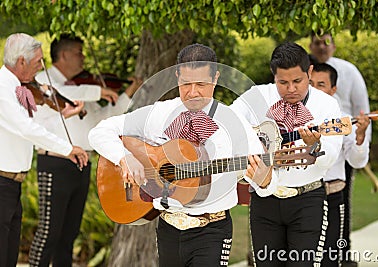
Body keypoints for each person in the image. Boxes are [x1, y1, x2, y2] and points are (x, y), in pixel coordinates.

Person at [88, 43, 276, 267]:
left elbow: (268, 185)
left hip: (212, 231)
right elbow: (99, 131)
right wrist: (124, 157)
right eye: (186, 83)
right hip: (168, 228)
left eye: (201, 84)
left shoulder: (233, 123)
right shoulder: (159, 113)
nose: (193, 92)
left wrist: (265, 179)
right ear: (177, 76)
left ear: (215, 78)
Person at [28, 34, 141, 267]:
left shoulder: (81, 87)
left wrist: (126, 95)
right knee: (48, 233)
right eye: (80, 53)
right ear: (65, 55)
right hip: (55, 164)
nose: (84, 58)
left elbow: (100, 119)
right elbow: (59, 94)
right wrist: (97, 91)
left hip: (81, 165)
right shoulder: (42, 81)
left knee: (69, 234)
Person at [231, 42, 343, 266]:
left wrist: (315, 145)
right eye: (283, 82)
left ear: (309, 72)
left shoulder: (326, 105)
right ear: (274, 76)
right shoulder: (257, 96)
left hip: (307, 200)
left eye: (297, 81)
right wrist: (254, 144)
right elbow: (228, 123)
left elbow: (330, 158)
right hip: (264, 201)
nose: (291, 89)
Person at [0, 33, 88, 267]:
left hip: (12, 185)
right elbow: (26, 128)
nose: (42, 66)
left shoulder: (20, 89)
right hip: (1, 184)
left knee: (8, 256)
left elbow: (31, 125)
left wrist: (62, 114)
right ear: (21, 62)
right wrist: (68, 149)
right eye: (38, 61)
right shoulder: (2, 89)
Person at [309, 32, 371, 267]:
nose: (322, 47)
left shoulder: (349, 71)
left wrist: (361, 138)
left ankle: (343, 254)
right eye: (317, 43)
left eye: (327, 42)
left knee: (340, 204)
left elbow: (362, 109)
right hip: (303, 192)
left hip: (342, 151)